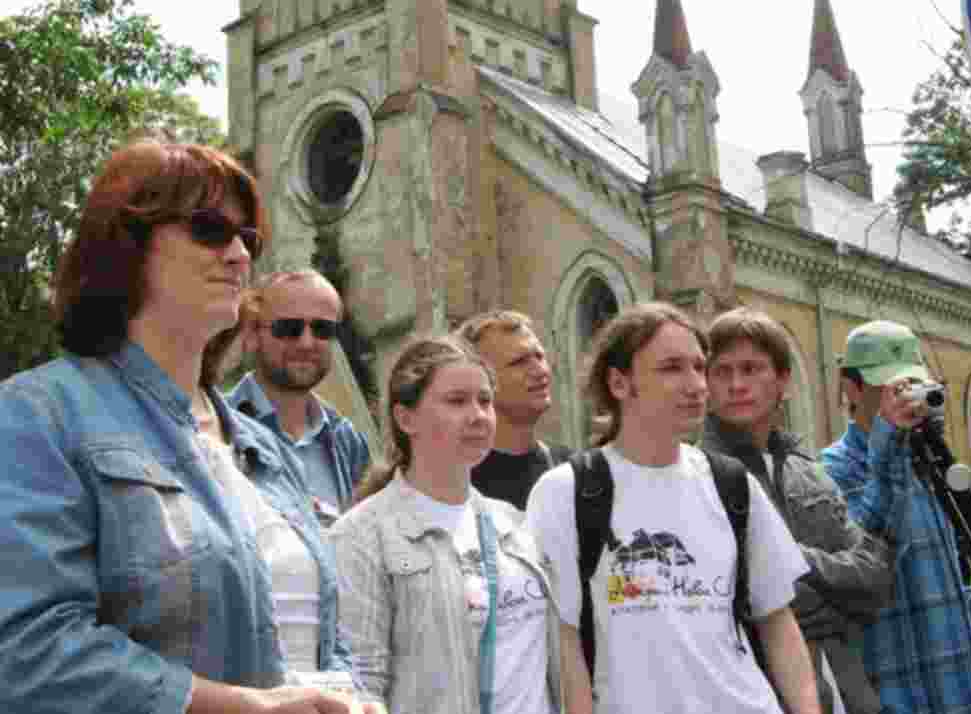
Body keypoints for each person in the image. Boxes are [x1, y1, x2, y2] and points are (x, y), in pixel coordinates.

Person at [0, 142, 361, 714]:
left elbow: (326, 635)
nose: (240, 255)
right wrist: (241, 706)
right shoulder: (39, 415)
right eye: (211, 228)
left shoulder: (263, 445)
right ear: (128, 243)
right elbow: (26, 651)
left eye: (251, 240)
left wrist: (351, 699)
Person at [526, 301, 821, 714]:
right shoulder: (566, 492)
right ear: (619, 382)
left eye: (700, 367)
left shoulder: (731, 484)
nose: (696, 384)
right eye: (671, 368)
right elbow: (564, 640)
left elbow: (777, 620)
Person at [331, 335, 561, 714]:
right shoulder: (362, 536)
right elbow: (361, 682)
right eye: (457, 401)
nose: (477, 415)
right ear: (406, 418)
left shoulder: (514, 525)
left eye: (485, 401)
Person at [702, 308, 892, 714]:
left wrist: (788, 562)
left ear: (783, 380)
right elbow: (735, 600)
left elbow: (874, 579)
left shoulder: (809, 470)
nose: (737, 384)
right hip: (756, 691)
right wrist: (830, 593)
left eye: (752, 369)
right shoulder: (698, 475)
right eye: (722, 371)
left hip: (847, 687)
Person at [822, 320, 971, 714]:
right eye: (889, 388)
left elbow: (942, 578)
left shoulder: (926, 458)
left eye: (911, 385)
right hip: (901, 698)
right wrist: (886, 442)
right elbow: (865, 565)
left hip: (968, 692)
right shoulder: (833, 471)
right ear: (851, 388)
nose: (905, 399)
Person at [228, 269, 370, 524]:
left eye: (322, 329)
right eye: (288, 328)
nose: (306, 343)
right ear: (251, 335)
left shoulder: (347, 442)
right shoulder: (218, 427)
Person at [455, 310, 571, 510]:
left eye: (539, 356)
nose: (540, 371)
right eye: (519, 362)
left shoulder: (573, 469)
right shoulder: (453, 482)